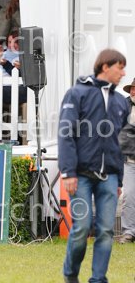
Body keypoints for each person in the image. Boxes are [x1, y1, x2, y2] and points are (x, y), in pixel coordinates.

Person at [59, 49, 128, 283]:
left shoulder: (121, 101)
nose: (123, 73)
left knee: (106, 231)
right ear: (105, 67)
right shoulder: (77, 93)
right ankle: (71, 275)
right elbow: (66, 133)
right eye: (120, 68)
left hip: (109, 176)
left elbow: (118, 143)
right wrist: (68, 172)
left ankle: (98, 279)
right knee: (82, 227)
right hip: (79, 175)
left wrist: (119, 179)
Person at [117, 77, 135, 244]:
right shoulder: (123, 105)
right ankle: (128, 232)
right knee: (128, 195)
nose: (133, 92)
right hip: (129, 160)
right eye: (132, 89)